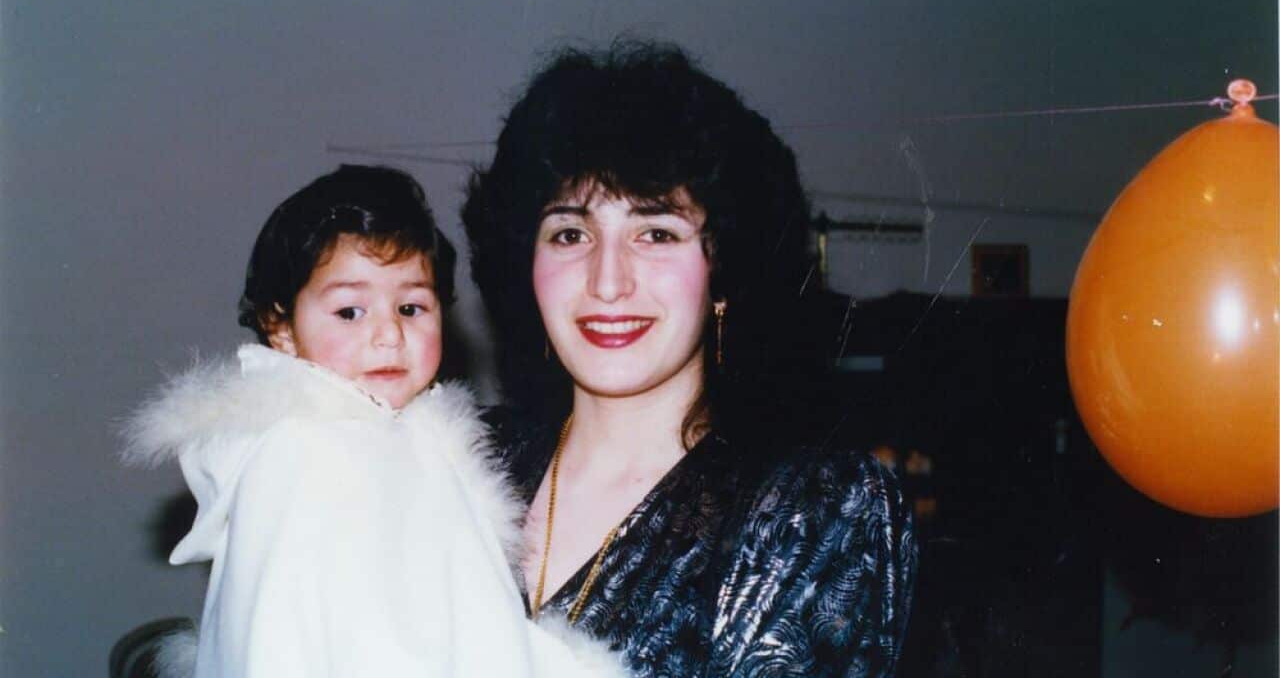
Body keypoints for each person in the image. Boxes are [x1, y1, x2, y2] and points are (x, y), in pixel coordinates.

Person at [463, 41, 917, 676]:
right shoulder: (460, 463)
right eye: (570, 233)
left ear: (724, 270)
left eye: (656, 233)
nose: (608, 280)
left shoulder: (813, 512)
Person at [124, 165, 622, 677]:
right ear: (282, 329)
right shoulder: (300, 453)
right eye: (349, 312)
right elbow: (280, 642)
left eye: (411, 307)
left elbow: (477, 620)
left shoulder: (415, 442)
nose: (388, 334)